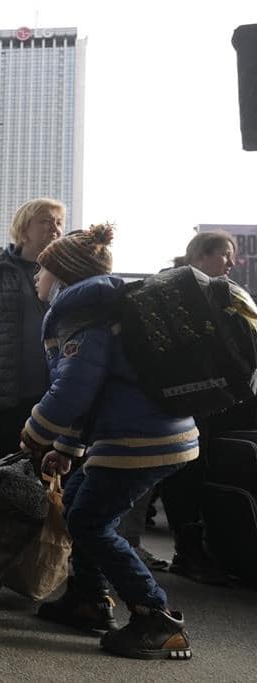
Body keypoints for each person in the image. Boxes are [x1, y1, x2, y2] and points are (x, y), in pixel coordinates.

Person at [21, 224, 196, 661]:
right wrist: (64, 450)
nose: (36, 279)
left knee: (90, 523)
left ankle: (157, 618)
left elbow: (75, 388)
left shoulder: (82, 313)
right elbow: (99, 391)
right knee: (80, 501)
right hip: (151, 431)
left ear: (63, 276)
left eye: (42, 271)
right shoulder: (100, 309)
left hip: (138, 438)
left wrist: (36, 431)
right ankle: (89, 599)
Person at [160, 230, 246, 584]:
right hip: (182, 398)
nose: (231, 262)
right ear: (201, 255)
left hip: (205, 399)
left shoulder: (216, 291)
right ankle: (189, 551)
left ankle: (194, 548)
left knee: (196, 469)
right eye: (225, 254)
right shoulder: (174, 289)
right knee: (184, 472)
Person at [0, 198, 65, 462]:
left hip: (57, 391)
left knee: (51, 475)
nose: (55, 228)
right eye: (45, 221)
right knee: (5, 468)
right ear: (23, 229)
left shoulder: (68, 273)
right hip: (8, 393)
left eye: (59, 222)